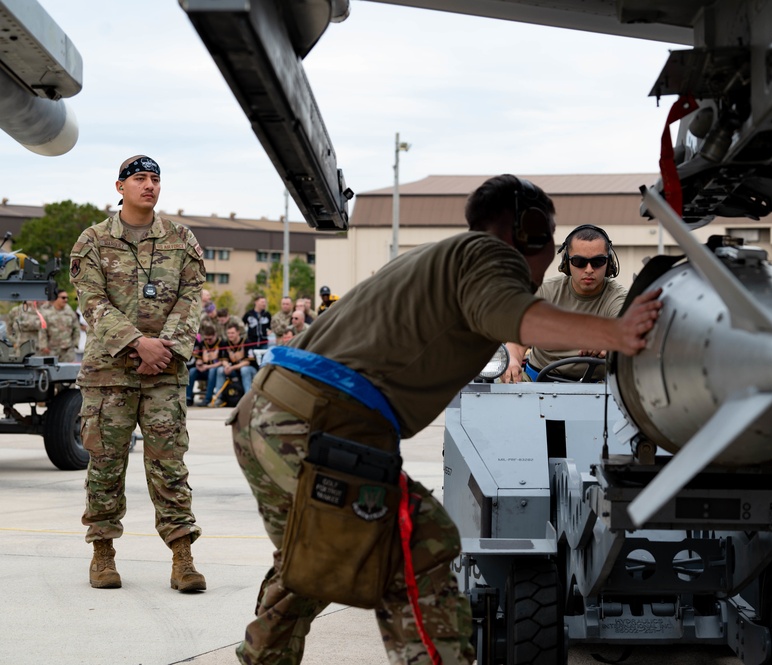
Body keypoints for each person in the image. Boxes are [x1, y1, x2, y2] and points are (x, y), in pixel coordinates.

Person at [228, 174, 662, 664]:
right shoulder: (490, 259)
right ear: (533, 231)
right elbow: (519, 318)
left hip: (274, 414)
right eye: (555, 245)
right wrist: (619, 333)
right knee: (423, 546)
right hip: (319, 422)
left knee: (317, 556)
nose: (561, 264)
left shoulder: (445, 257)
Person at [70, 154, 207, 593]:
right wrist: (137, 343)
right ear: (119, 187)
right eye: (140, 179)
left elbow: (192, 297)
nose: (149, 185)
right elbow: (91, 301)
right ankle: (103, 554)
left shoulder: (181, 239)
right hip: (109, 374)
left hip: (164, 372)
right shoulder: (92, 241)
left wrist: (161, 349)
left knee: (169, 464)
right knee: (106, 465)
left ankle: (183, 558)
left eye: (155, 179)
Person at [504, 224, 628, 382]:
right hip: (537, 382)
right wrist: (513, 360)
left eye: (597, 261)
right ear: (566, 263)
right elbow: (517, 341)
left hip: (599, 390)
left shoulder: (618, 298)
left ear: (608, 262)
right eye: (579, 261)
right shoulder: (544, 294)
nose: (589, 269)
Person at [40, 290, 82, 362]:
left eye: (67, 298)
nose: (66, 300)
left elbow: (76, 328)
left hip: (68, 350)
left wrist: (75, 343)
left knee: (69, 370)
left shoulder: (70, 312)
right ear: (56, 298)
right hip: (52, 350)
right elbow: (42, 330)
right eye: (63, 298)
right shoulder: (47, 313)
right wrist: (43, 346)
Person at [187, 323, 224, 407]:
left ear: (215, 335)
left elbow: (222, 362)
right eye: (206, 339)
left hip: (214, 370)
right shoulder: (202, 344)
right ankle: (188, 397)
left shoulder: (221, 343)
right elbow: (198, 358)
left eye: (210, 339)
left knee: (212, 370)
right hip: (203, 369)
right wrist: (199, 364)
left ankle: (207, 399)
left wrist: (207, 366)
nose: (207, 341)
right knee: (192, 371)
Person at [218, 320, 257, 398]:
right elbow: (224, 359)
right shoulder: (226, 343)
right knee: (220, 370)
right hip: (234, 370)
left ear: (238, 332)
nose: (230, 335)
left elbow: (247, 362)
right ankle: (219, 398)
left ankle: (247, 398)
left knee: (244, 370)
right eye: (228, 333)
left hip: (250, 369)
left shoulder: (246, 342)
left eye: (232, 333)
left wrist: (231, 367)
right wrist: (226, 366)